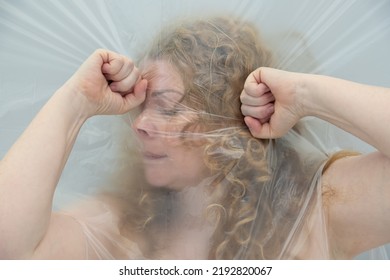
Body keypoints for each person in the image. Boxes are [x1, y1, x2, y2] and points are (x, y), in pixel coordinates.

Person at [0, 16, 389, 260]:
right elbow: (10, 250)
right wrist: (76, 101)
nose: (139, 125)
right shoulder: (119, 227)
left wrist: (306, 96)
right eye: (141, 108)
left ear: (231, 123)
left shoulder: (316, 210)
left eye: (168, 108)